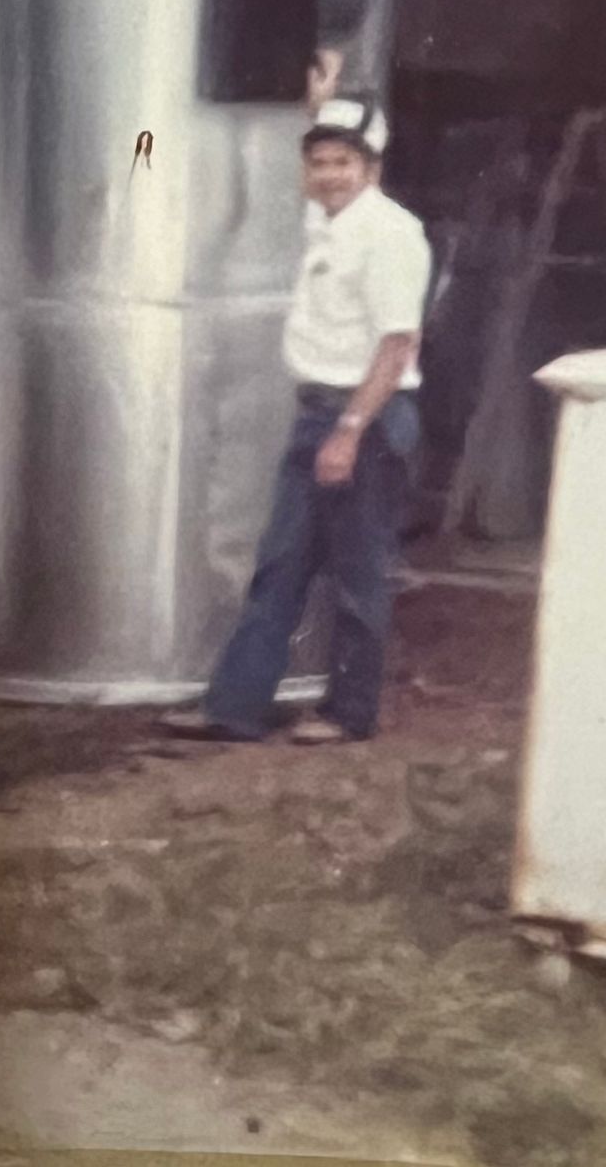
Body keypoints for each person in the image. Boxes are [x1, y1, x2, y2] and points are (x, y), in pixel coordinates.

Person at [163, 94, 430, 746]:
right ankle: (234, 707)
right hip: (317, 416)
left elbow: (397, 345)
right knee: (280, 566)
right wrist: (325, 94)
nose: (329, 174)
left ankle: (349, 714)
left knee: (358, 575)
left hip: (362, 420)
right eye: (318, 162)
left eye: (343, 161)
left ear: (370, 167)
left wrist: (349, 431)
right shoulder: (329, 221)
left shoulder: (391, 234)